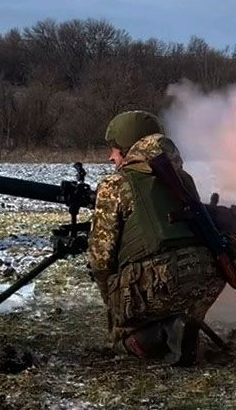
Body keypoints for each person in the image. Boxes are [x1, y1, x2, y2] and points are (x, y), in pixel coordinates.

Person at [86, 110, 226, 366]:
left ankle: (165, 333)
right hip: (204, 282)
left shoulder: (115, 185)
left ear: (128, 148)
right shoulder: (183, 179)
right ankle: (185, 326)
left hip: (158, 284)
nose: (110, 157)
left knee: (121, 337)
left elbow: (101, 260)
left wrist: (115, 304)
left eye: (115, 150)